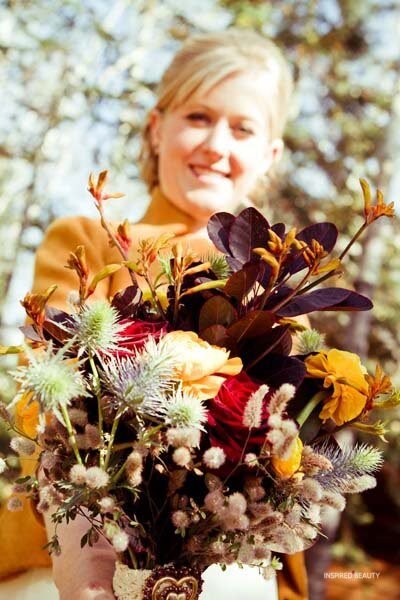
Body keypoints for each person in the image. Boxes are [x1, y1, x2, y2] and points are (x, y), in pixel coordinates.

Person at [0, 29, 308, 599]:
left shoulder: (282, 291)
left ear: (270, 153)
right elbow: (48, 405)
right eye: (198, 116)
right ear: (156, 126)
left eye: (242, 128)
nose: (217, 144)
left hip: (230, 565)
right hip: (76, 552)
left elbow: (286, 461)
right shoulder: (88, 243)